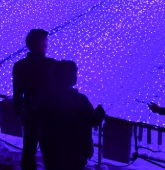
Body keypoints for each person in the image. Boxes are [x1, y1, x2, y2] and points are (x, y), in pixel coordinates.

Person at [36, 60, 105, 170]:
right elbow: (93, 120)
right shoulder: (80, 100)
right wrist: (100, 112)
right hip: (75, 153)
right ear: (71, 77)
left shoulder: (46, 98)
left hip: (51, 151)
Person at [12, 29, 56, 170]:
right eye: (45, 41)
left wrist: (19, 111)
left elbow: (17, 91)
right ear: (40, 44)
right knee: (50, 150)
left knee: (29, 148)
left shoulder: (19, 66)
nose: (47, 44)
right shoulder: (51, 65)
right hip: (48, 113)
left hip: (29, 111)